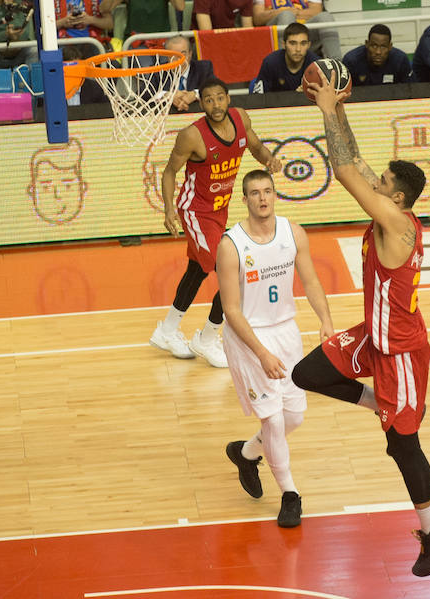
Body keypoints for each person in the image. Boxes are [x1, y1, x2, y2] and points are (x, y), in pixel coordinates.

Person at [292, 70, 430, 578]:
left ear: (399, 200)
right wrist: (339, 107)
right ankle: (381, 404)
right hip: (374, 335)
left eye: (384, 183)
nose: (375, 183)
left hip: (402, 350)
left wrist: (323, 109)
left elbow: (343, 171)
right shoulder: (393, 208)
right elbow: (356, 161)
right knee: (308, 375)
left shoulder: (397, 224)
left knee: (401, 445)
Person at [220, 169, 334, 528]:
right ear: (245, 200)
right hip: (249, 337)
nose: (263, 198)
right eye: (255, 193)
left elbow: (311, 279)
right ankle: (290, 494)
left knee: (294, 416)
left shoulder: (292, 232)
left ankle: (247, 452)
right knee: (271, 417)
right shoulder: (231, 245)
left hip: (286, 331)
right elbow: (231, 309)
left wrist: (325, 321)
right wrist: (261, 353)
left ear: (274, 195)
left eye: (267, 191)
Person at [151, 77, 282, 365]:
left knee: (197, 269)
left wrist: (269, 159)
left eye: (219, 97)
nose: (215, 104)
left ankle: (168, 330)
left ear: (228, 98)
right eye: (208, 99)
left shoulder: (241, 118)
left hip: (218, 209)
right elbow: (169, 172)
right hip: (196, 211)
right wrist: (169, 210)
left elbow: (256, 146)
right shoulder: (192, 135)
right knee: (233, 274)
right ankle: (207, 339)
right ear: (202, 102)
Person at [252, 0, 340, 59]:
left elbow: (316, 11)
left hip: (305, 33)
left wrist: (295, 12)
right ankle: (281, 64)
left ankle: (338, 66)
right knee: (286, 16)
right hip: (276, 36)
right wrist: (282, 12)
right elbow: (258, 18)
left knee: (325, 16)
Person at [250, 21, 318, 93]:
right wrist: (296, 97)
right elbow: (259, 98)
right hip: (274, 104)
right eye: (293, 43)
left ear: (309, 45)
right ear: (283, 44)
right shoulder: (270, 63)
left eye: (303, 43)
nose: (298, 49)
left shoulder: (316, 65)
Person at [342, 24, 412, 85]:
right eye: (374, 46)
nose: (378, 52)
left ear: (390, 46)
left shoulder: (400, 60)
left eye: (383, 46)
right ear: (367, 44)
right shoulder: (351, 61)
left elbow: (411, 91)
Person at [100, 0, 184, 48]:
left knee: (166, 69)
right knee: (145, 70)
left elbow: (181, 6)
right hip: (135, 41)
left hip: (162, 41)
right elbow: (104, 9)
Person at [164, 35, 214, 112]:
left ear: (190, 54)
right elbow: (144, 93)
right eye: (174, 55)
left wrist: (196, 94)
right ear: (167, 56)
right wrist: (168, 95)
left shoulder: (204, 68)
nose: (179, 58)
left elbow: (215, 88)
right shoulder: (157, 70)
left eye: (183, 54)